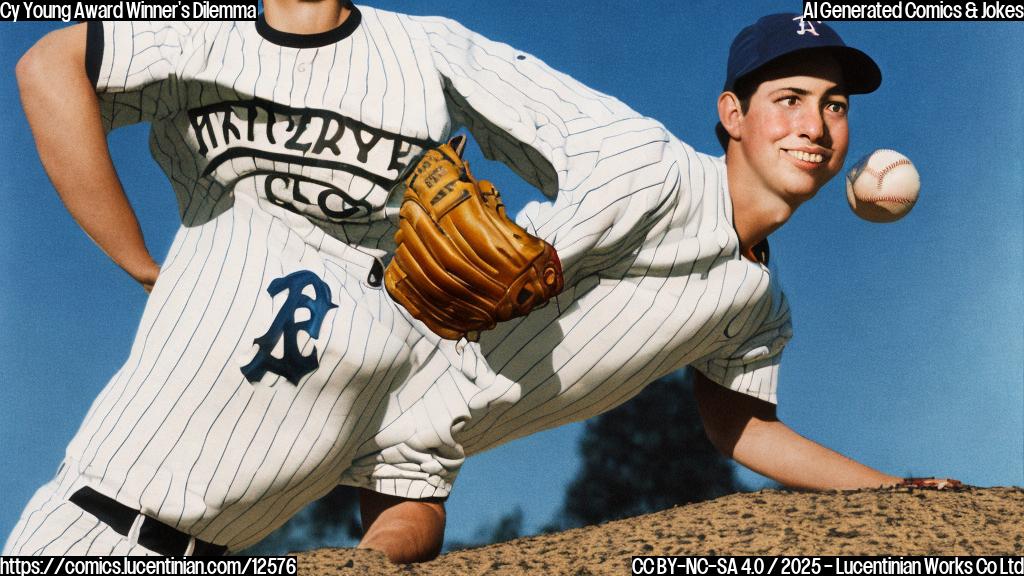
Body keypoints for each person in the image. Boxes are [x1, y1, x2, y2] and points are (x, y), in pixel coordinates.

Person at [7, 1, 941, 563]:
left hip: (400, 444)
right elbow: (592, 164)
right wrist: (551, 256)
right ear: (731, 115)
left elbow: (740, 425)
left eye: (834, 105)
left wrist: (895, 491)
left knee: (400, 514)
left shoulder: (756, 305)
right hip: (102, 527)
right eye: (788, 99)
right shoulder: (653, 173)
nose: (814, 124)